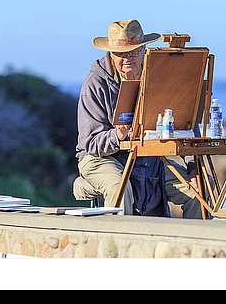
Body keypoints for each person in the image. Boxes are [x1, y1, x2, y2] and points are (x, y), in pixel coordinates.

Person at [75, 19, 202, 217]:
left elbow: (185, 124)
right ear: (110, 53)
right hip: (102, 158)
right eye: (120, 54)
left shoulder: (156, 78)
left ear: (143, 50)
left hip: (146, 158)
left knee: (199, 190)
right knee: (120, 186)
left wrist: (193, 167)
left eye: (132, 52)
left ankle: (191, 246)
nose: (127, 59)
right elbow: (90, 143)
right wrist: (117, 135)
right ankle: (119, 245)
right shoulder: (95, 84)